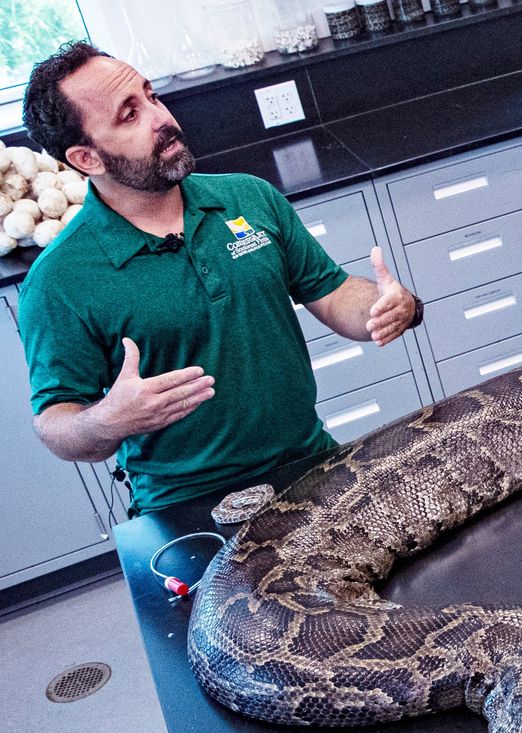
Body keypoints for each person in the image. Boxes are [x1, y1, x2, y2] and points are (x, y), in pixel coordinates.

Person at [16, 41, 421, 514]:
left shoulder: (248, 198)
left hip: (309, 465)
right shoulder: (59, 280)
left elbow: (331, 293)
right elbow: (56, 423)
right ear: (87, 159)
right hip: (184, 505)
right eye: (129, 115)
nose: (160, 117)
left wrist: (388, 305)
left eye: (151, 96)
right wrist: (108, 420)